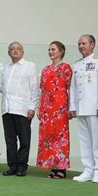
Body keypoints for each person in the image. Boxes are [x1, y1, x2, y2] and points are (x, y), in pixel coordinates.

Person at [0, 41, 39, 176]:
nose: (15, 51)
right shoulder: (6, 68)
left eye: (18, 49)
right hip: (7, 109)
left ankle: (22, 166)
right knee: (10, 140)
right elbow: (3, 87)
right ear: (8, 52)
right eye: (12, 49)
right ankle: (12, 166)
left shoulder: (30, 66)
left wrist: (32, 107)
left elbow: (35, 89)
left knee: (24, 140)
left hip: (23, 109)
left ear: (22, 52)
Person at [69, 35, 98, 184]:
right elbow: (73, 87)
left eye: (84, 43)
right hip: (81, 108)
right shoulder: (77, 64)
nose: (81, 46)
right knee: (84, 141)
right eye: (79, 43)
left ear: (92, 44)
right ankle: (87, 170)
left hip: (95, 108)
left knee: (97, 142)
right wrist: (73, 107)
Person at [36, 41, 73, 179]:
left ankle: (61, 168)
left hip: (60, 107)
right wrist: (40, 108)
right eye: (49, 49)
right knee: (48, 137)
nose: (50, 52)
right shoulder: (45, 70)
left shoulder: (66, 68)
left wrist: (70, 107)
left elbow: (71, 89)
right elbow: (42, 90)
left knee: (60, 137)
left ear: (61, 51)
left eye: (53, 49)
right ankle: (52, 166)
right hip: (47, 109)